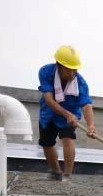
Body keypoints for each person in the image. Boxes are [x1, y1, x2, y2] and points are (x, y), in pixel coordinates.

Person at [37, 45, 97, 182]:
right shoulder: (45, 72)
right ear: (59, 65)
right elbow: (49, 100)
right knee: (47, 143)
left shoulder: (80, 83)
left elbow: (87, 105)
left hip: (72, 115)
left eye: (74, 69)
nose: (72, 73)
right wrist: (66, 114)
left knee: (67, 139)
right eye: (68, 69)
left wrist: (91, 125)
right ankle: (56, 172)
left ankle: (67, 176)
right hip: (49, 113)